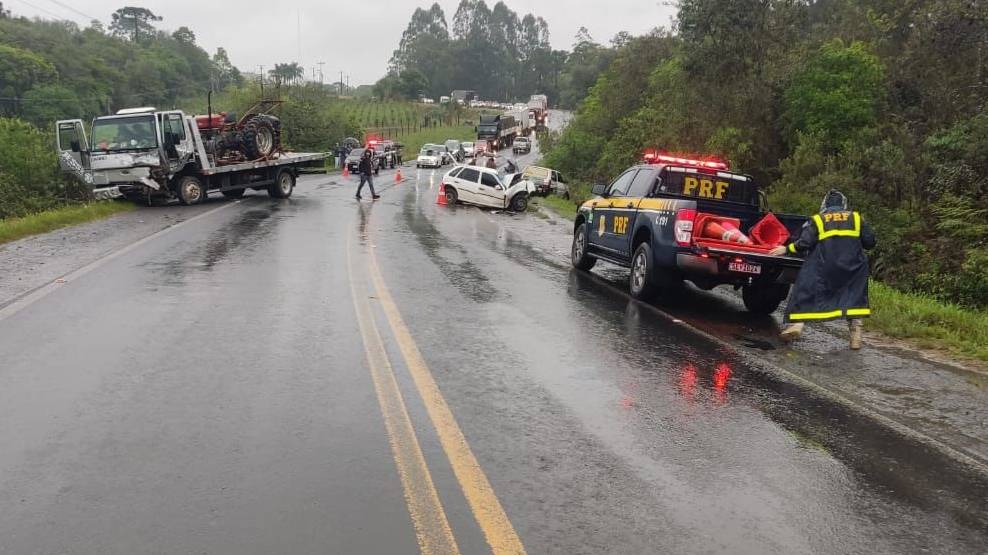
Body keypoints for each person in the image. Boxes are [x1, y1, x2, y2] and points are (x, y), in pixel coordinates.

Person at [770, 190, 876, 349]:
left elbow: (805, 243)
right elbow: (870, 242)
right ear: (844, 204)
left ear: (825, 204)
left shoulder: (818, 220)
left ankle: (797, 325)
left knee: (804, 289)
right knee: (853, 297)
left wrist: (786, 249)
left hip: (825, 266)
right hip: (853, 267)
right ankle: (856, 336)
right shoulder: (856, 218)